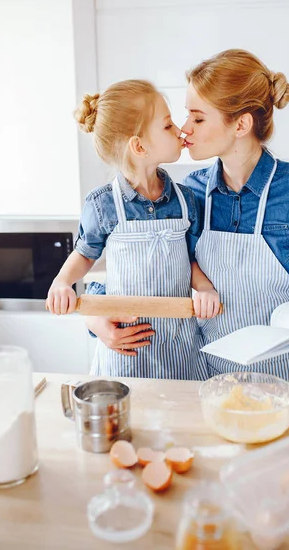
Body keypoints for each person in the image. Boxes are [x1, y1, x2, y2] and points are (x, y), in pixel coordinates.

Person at [181, 49, 289, 385]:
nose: (184, 130)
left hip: (288, 377)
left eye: (197, 118)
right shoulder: (190, 191)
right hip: (210, 376)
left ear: (241, 124)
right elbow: (164, 272)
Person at [46, 80, 220, 379]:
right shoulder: (103, 205)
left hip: (179, 346)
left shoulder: (186, 200)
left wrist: (204, 288)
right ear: (139, 146)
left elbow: (189, 258)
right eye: (167, 126)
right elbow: (85, 254)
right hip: (126, 349)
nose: (179, 129)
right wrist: (62, 282)